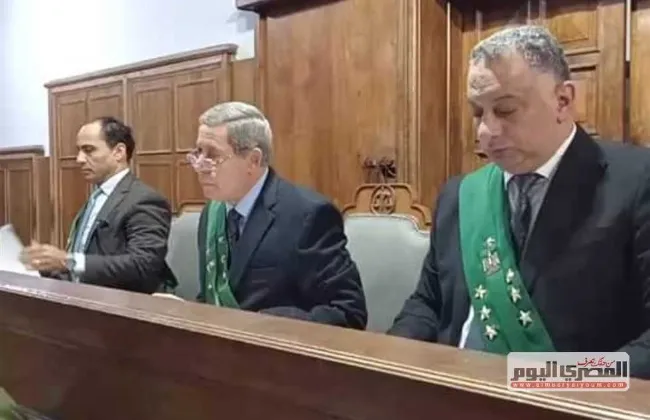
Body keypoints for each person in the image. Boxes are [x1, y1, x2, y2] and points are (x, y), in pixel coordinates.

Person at [388, 25, 650, 378]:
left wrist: (553, 380)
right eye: (478, 113)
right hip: (449, 391)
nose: (486, 132)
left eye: (506, 110)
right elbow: (428, 304)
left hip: (566, 398)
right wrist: (389, 361)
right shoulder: (460, 195)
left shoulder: (636, 183)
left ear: (563, 101)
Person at [189, 101, 367, 329]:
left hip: (277, 345)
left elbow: (348, 311)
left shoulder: (307, 216)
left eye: (213, 155)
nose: (200, 166)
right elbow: (214, 294)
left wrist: (268, 323)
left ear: (253, 160)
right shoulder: (212, 213)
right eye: (198, 152)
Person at [21, 117, 176, 294]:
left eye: (89, 150)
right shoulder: (97, 196)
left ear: (118, 152)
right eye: (79, 151)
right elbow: (86, 264)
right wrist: (45, 264)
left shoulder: (144, 199)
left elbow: (144, 264)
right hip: (85, 297)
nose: (79, 159)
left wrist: (67, 261)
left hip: (122, 304)